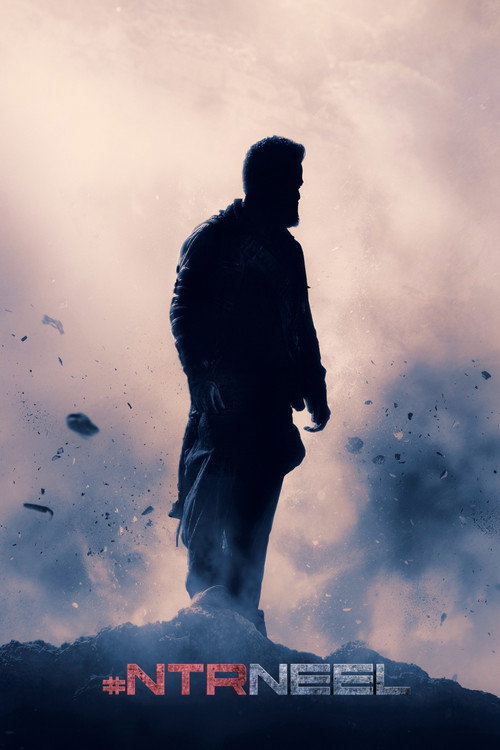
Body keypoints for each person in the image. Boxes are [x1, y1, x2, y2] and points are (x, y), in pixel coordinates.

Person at [169, 135, 330, 636]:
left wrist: (315, 384)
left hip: (268, 411)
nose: (299, 195)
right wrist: (204, 378)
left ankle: (240, 634)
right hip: (222, 412)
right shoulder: (215, 238)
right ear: (265, 184)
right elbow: (183, 312)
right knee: (209, 524)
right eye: (292, 185)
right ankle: (203, 633)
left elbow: (300, 321)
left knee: (251, 530)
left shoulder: (288, 250)